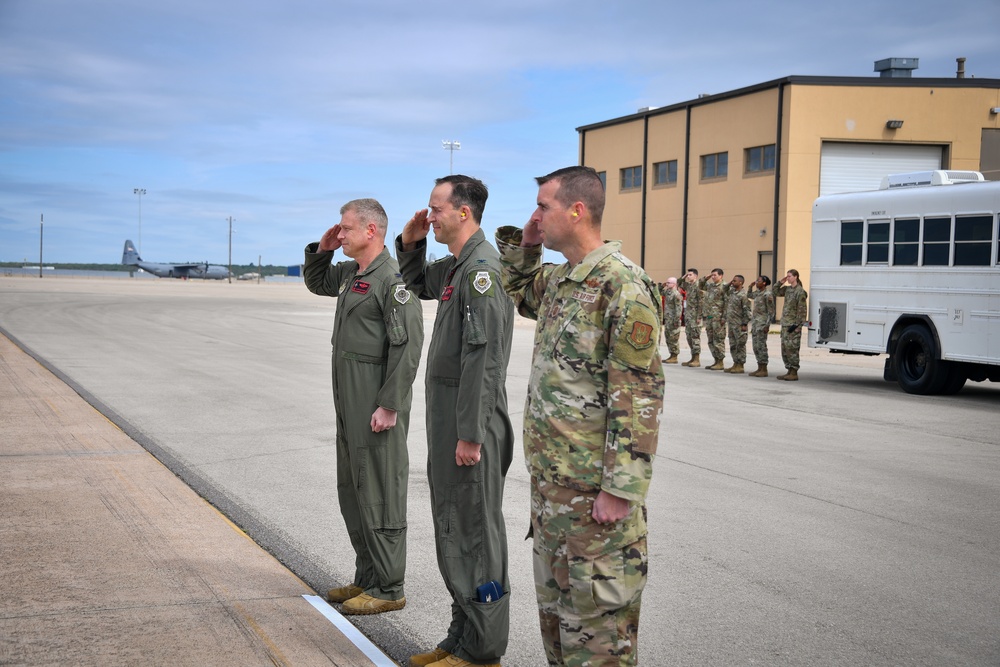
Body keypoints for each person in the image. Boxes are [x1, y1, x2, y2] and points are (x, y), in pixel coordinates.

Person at [495, 166, 665, 666]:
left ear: (577, 211)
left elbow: (638, 393)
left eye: (543, 207)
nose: (536, 216)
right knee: (558, 634)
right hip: (553, 496)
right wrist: (526, 244)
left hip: (595, 501)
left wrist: (621, 488)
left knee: (598, 640)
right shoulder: (562, 280)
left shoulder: (623, 286)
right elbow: (517, 287)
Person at [396, 175, 515, 667]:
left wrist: (470, 433)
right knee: (454, 525)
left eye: (435, 209)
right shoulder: (458, 267)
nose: (431, 215)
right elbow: (418, 283)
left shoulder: (481, 270)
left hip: (472, 423)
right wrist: (411, 243)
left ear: (463, 211)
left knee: (475, 532)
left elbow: (485, 360)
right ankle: (461, 636)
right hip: (454, 417)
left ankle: (481, 650)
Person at [303, 198, 424, 615]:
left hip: (375, 401)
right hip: (349, 400)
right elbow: (318, 283)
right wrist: (323, 249)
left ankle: (389, 587)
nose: (342, 234)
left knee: (380, 491)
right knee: (353, 489)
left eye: (347, 229)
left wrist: (389, 404)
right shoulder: (355, 272)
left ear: (371, 231)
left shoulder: (393, 279)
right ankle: (367, 577)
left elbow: (407, 347)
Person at [773, 269, 808, 381]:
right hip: (785, 323)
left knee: (792, 348)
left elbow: (802, 310)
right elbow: (775, 292)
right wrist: (780, 282)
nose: (787, 278)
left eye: (789, 276)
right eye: (787, 276)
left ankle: (794, 371)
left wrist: (798, 325)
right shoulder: (788, 290)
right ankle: (788, 370)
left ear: (795, 277)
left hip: (793, 325)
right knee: (785, 348)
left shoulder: (800, 292)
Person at [699, 268, 728, 371]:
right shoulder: (710, 286)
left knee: (718, 339)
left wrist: (724, 317)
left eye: (715, 275)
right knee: (711, 340)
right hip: (710, 316)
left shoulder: (725, 287)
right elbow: (700, 286)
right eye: (712, 275)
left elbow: (726, 303)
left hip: (718, 317)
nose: (713, 277)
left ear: (721, 276)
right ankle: (716, 360)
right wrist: (705, 278)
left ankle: (720, 362)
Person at [746, 275, 775, 377]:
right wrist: (750, 286)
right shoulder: (758, 293)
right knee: (756, 346)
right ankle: (759, 367)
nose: (756, 281)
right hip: (755, 324)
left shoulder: (767, 294)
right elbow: (749, 295)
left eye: (758, 281)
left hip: (762, 324)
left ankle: (764, 368)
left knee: (761, 346)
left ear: (764, 283)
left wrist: (767, 325)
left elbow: (771, 312)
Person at [724, 275, 752, 374]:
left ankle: (740, 365)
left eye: (735, 281)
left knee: (740, 345)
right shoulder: (732, 292)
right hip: (731, 324)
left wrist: (744, 323)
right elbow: (724, 289)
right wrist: (730, 282)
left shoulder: (743, 295)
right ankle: (735, 363)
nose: (732, 282)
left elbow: (747, 311)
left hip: (739, 324)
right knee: (733, 345)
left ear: (740, 282)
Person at [680, 269, 703, 366]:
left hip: (695, 316)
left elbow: (701, 303)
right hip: (689, 316)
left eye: (690, 275)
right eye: (687, 275)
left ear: (696, 276)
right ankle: (692, 358)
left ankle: (697, 359)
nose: (688, 276)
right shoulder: (689, 286)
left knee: (695, 337)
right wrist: (683, 277)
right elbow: (679, 283)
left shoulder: (699, 286)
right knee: (689, 337)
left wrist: (699, 316)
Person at [661, 277, 683, 364]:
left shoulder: (676, 294)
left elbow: (679, 309)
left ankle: (674, 356)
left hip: (674, 320)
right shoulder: (668, 292)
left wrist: (676, 320)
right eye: (667, 282)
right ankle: (671, 354)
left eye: (669, 283)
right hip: (668, 319)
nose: (667, 284)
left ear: (674, 284)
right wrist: (662, 285)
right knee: (668, 337)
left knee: (673, 338)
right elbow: (660, 292)